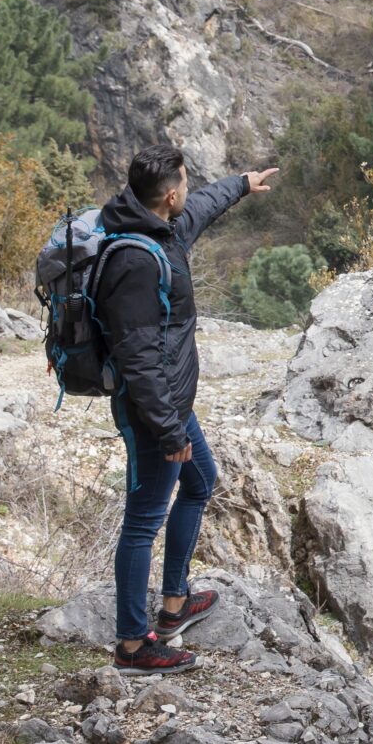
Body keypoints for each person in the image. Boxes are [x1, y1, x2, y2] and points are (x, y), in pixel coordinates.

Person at [94, 141, 279, 673]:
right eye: (185, 183)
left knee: (200, 482)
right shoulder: (135, 260)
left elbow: (201, 207)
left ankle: (174, 603)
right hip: (153, 411)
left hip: (173, 402)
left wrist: (241, 185)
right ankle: (133, 645)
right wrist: (168, 430)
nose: (189, 192)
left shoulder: (163, 227)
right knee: (142, 522)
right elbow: (137, 357)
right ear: (168, 195)